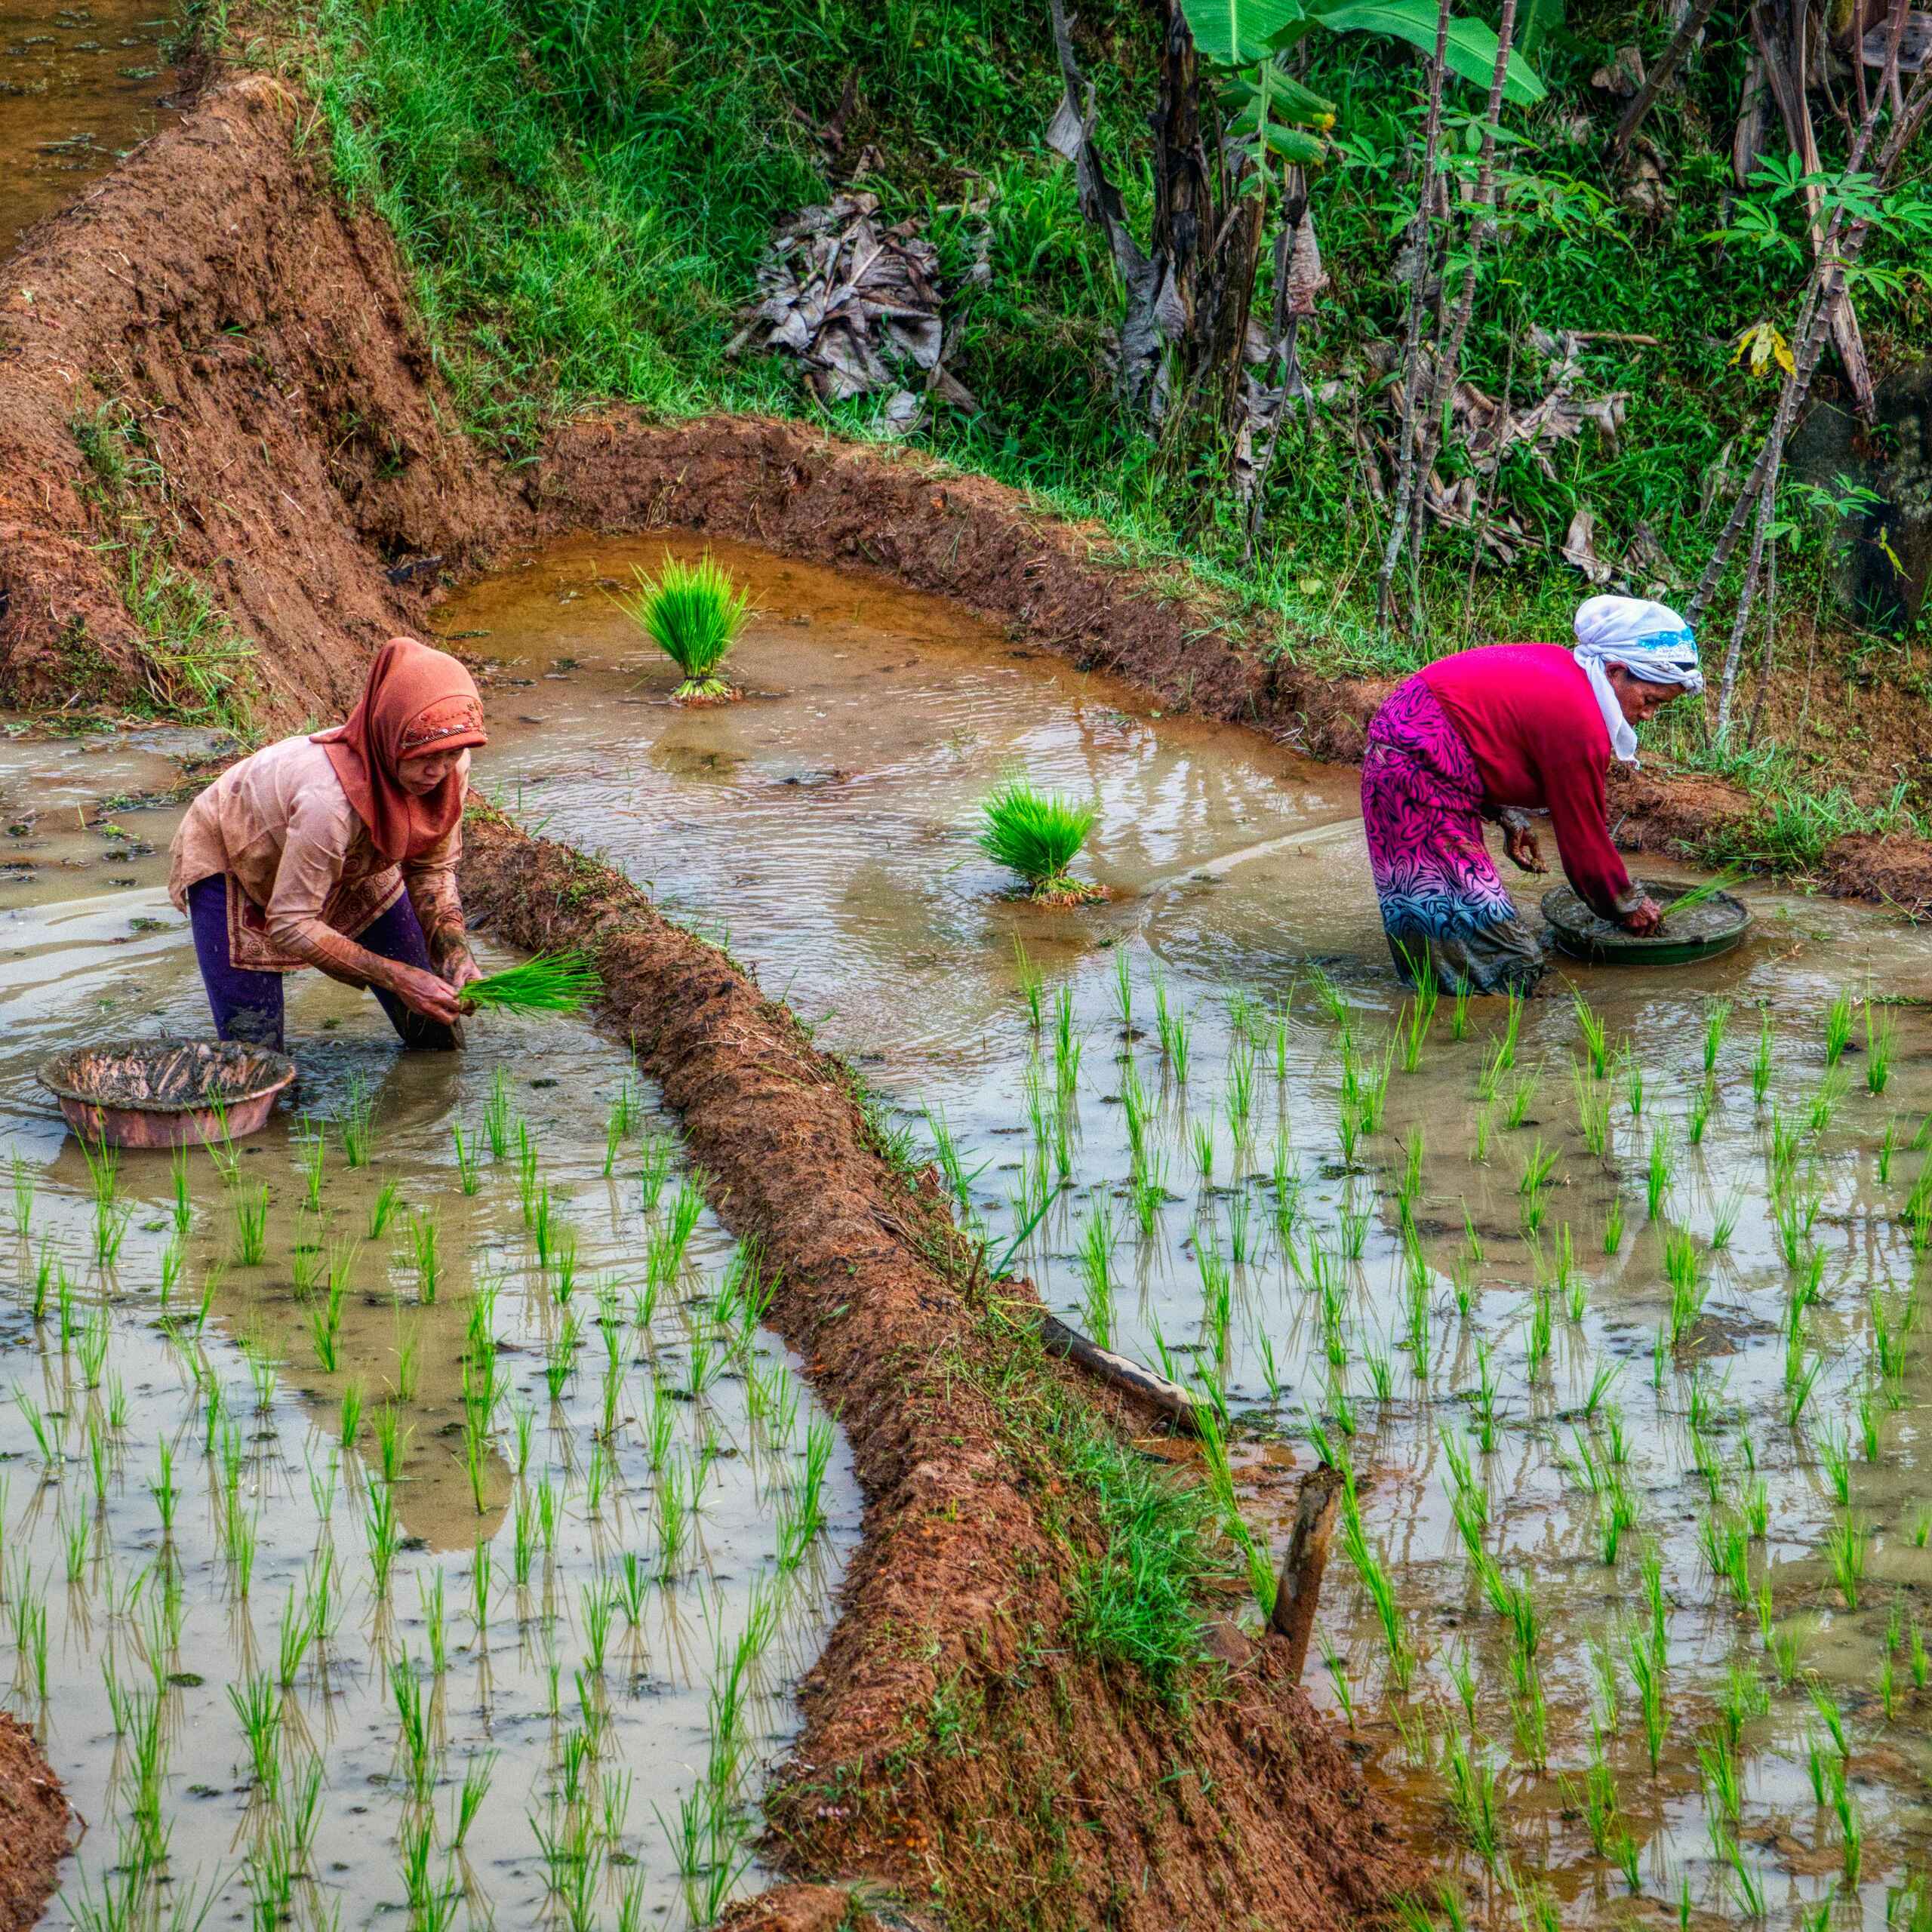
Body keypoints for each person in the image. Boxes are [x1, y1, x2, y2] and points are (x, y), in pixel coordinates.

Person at [1360, 595, 1703, 995]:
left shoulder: (1566, 673)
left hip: (1411, 753)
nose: (1648, 716)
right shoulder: (1580, 723)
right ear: (1615, 672)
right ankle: (1460, 1034)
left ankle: (1444, 997)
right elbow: (1584, 843)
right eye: (1650, 701)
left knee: (1455, 925)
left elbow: (1480, 732)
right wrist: (1627, 904)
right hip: (1412, 774)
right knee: (1502, 961)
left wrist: (1505, 813)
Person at [168, 637, 488, 1054]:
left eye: (451, 754)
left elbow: (431, 869)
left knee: (435, 1030)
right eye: (425, 755)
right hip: (240, 857)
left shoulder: (449, 766)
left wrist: (454, 949)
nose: (437, 770)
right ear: (390, 735)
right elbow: (291, 920)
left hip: (353, 858)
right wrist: (394, 976)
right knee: (256, 1062)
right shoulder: (328, 801)